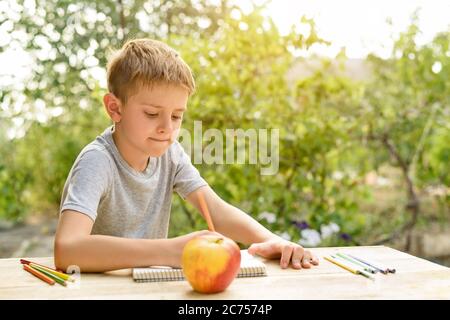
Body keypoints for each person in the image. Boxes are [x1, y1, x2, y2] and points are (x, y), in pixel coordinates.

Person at [54, 38, 319, 272]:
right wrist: (169, 251)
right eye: (152, 114)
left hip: (147, 290)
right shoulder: (97, 162)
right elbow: (67, 250)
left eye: (177, 116)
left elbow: (215, 210)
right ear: (115, 108)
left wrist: (270, 240)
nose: (167, 128)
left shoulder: (170, 154)